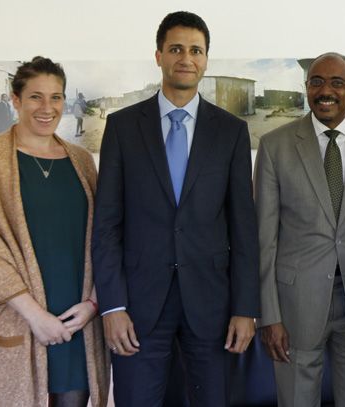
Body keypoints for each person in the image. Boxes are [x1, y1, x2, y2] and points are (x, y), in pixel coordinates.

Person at [92, 11, 260, 407]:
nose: (187, 58)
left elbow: (243, 228)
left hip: (211, 304)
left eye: (196, 50)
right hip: (137, 305)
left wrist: (245, 308)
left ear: (205, 59)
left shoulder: (231, 131)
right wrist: (112, 306)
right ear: (159, 56)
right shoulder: (122, 127)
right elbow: (106, 226)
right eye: (177, 49)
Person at [0, 56, 109, 407]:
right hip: (21, 319)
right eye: (35, 97)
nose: (47, 108)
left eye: (56, 97)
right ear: (15, 100)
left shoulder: (81, 160)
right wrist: (35, 315)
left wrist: (93, 304)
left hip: (76, 323)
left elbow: (103, 237)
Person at [255, 52, 345, 407]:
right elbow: (264, 240)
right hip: (296, 303)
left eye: (336, 83)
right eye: (316, 82)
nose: (325, 91)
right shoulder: (274, 146)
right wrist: (269, 315)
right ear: (306, 88)